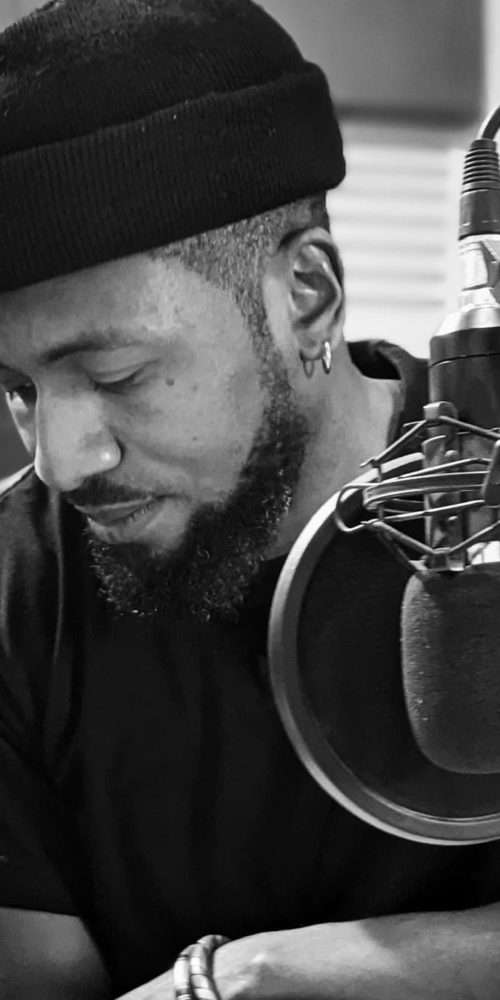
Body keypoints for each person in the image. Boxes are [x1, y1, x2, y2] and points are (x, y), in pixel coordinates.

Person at [0, 1, 499, 998]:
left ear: (306, 296)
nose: (59, 459)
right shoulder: (18, 593)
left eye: (116, 374)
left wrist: (259, 976)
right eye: (17, 389)